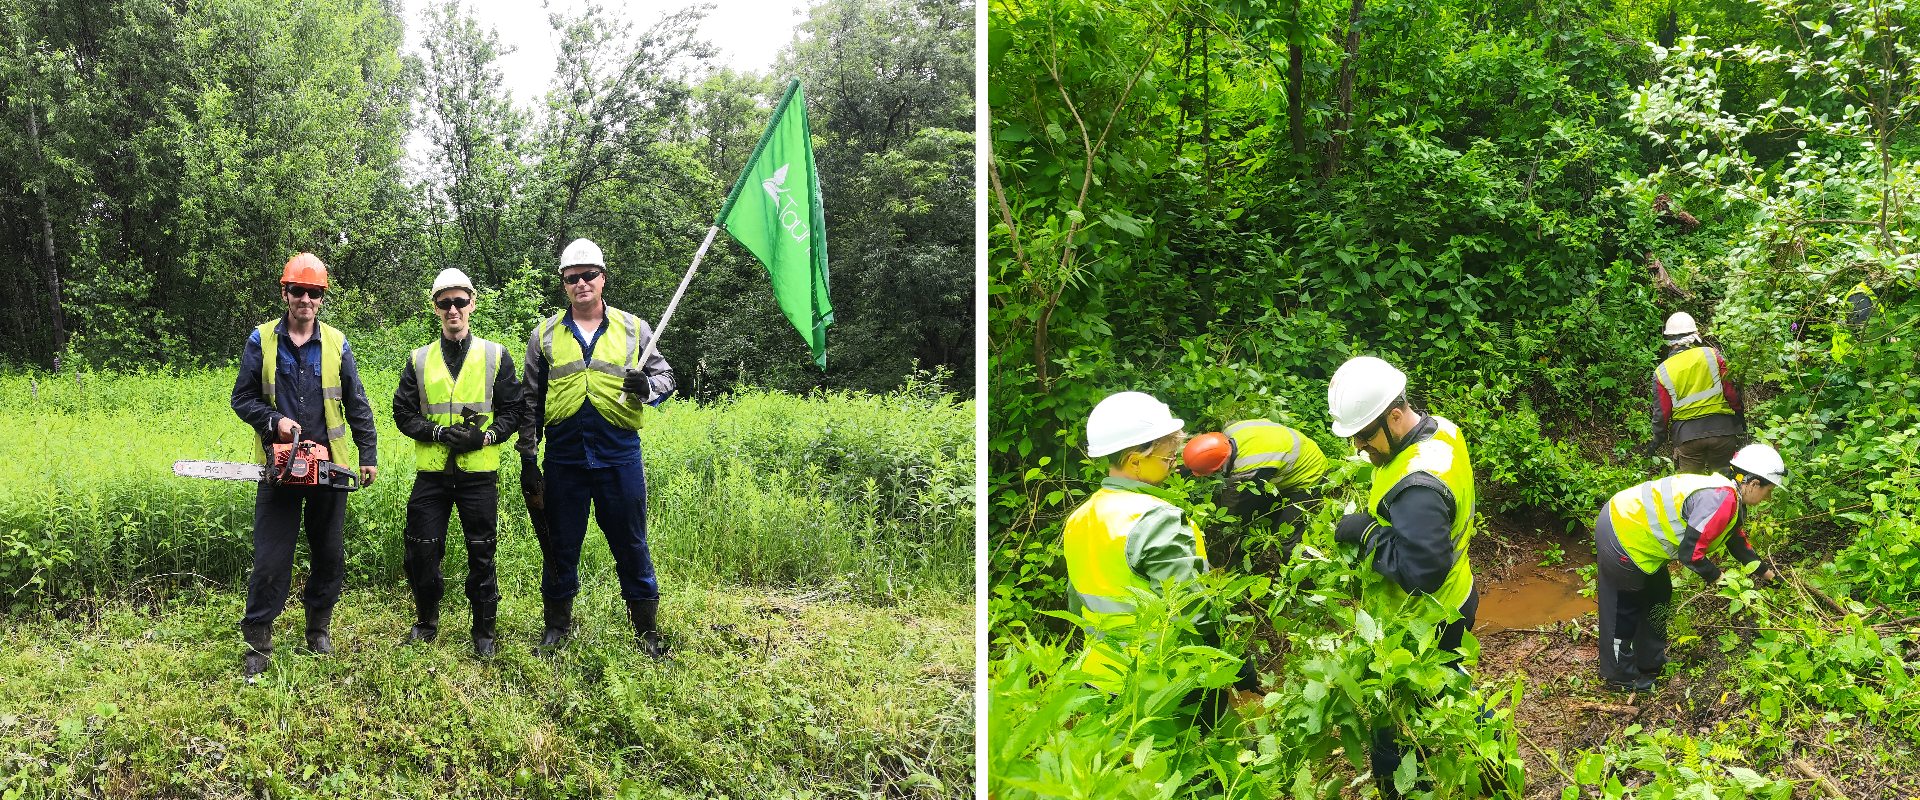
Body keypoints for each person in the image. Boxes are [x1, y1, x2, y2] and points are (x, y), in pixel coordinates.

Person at [1325, 356, 1478, 799]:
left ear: (1395, 416)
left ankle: (1407, 788)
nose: (1357, 446)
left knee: (1397, 727)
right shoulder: (1441, 430)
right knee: (1448, 700)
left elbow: (1422, 573)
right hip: (1457, 597)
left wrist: (1369, 533)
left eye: (1363, 435)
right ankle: (1475, 763)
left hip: (1424, 623)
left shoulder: (1416, 486)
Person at [517, 238, 675, 658]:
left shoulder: (633, 328)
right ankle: (556, 629)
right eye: (573, 277)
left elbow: (667, 379)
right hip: (564, 459)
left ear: (603, 278)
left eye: (589, 275)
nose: (581, 282)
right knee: (559, 544)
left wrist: (649, 388)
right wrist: (529, 460)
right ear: (564, 284)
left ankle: (647, 632)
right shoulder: (544, 334)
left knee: (631, 543)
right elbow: (530, 402)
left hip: (619, 455)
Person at [1062, 391, 1257, 726]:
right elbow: (1191, 607)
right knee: (1218, 758)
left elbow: (1076, 602)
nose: (1173, 464)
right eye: (1168, 458)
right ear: (1136, 460)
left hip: (1101, 677)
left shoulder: (1080, 517)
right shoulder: (1156, 519)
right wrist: (1234, 661)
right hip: (1167, 683)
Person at [229, 252, 379, 682]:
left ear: (321, 297)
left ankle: (318, 629)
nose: (306, 300)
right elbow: (243, 399)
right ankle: (257, 640)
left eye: (314, 293)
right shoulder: (262, 340)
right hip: (280, 470)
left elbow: (358, 403)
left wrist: (366, 456)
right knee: (271, 559)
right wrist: (274, 422)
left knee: (329, 556)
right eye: (299, 291)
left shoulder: (336, 342)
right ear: (285, 292)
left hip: (327, 469)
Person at [392, 268, 524, 658]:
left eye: (459, 301)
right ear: (435, 308)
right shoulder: (419, 359)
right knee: (421, 549)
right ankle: (426, 622)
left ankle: (483, 632)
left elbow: (514, 410)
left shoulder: (496, 355)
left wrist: (484, 436)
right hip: (431, 475)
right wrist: (434, 432)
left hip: (478, 474)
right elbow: (402, 412)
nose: (453, 309)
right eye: (444, 302)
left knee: (481, 551)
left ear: (472, 303)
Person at [1594, 443, 1786, 691]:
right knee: (1626, 608)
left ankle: (1650, 661)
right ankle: (1620, 677)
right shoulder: (1721, 499)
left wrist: (1770, 576)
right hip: (1621, 532)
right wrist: (1720, 579)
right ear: (1753, 484)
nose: (1767, 498)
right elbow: (1691, 554)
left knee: (1659, 595)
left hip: (1641, 541)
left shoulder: (1729, 498)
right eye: (1768, 490)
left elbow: (1738, 544)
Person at [1181, 420, 1328, 569]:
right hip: (1300, 451)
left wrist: (1211, 527)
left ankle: (1299, 573)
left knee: (1285, 536)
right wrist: (1191, 465)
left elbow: (1233, 509)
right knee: (1265, 512)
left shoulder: (1248, 468)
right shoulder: (1230, 431)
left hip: (1309, 476)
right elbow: (1205, 452)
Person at [1646, 312, 1746, 475]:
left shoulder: (1662, 371)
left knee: (1689, 489)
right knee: (1725, 485)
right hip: (1722, 431)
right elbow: (1731, 392)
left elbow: (1662, 414)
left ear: (1669, 341)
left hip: (1687, 438)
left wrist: (1657, 441)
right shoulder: (1712, 355)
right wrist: (1739, 418)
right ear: (1694, 336)